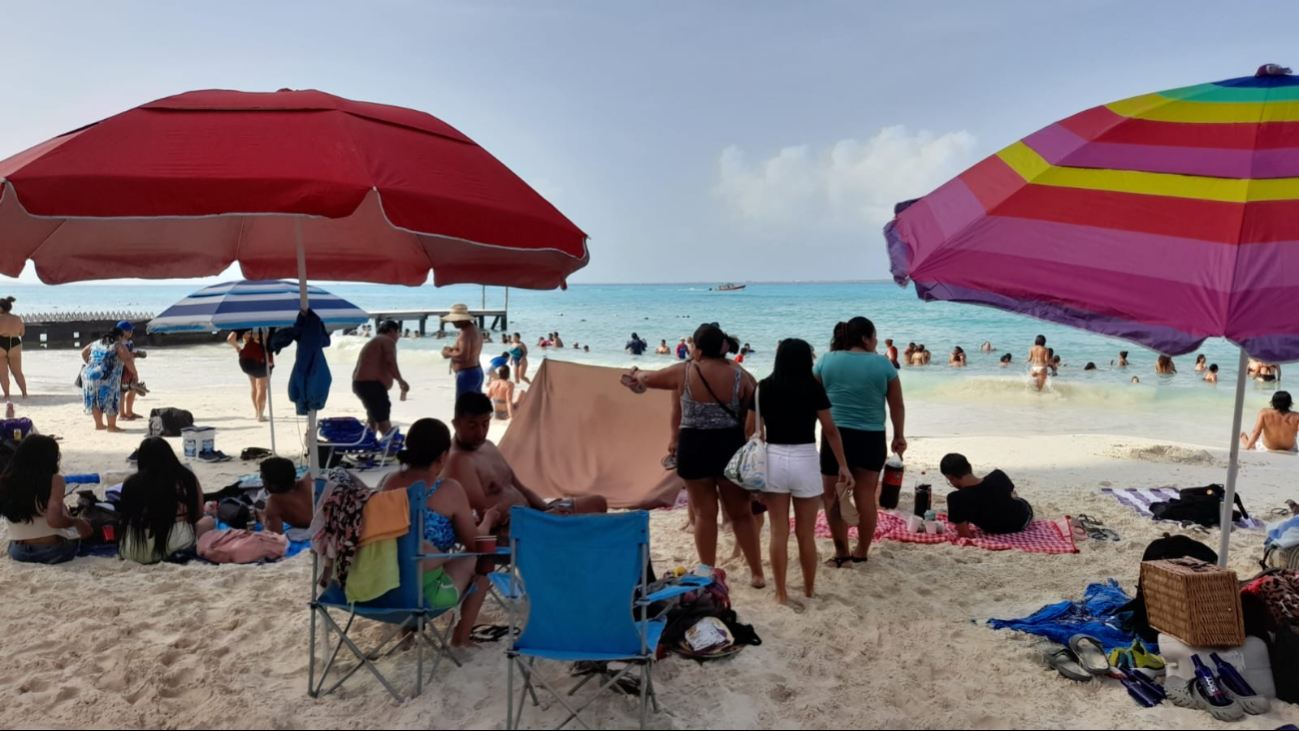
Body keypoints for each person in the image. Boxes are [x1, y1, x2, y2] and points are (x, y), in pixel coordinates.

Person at [623, 324, 765, 588]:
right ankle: (757, 574)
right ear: (723, 347)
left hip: (694, 447)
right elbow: (755, 411)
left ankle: (708, 572)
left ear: (697, 349)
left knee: (703, 513)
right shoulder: (740, 375)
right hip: (729, 448)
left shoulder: (684, 371)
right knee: (741, 514)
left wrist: (635, 372)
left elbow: (648, 378)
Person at [381, 418, 502, 647]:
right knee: (482, 561)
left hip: (387, 588)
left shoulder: (389, 482)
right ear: (443, 456)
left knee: (408, 552)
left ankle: (406, 636)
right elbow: (475, 544)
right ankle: (461, 638)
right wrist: (487, 520)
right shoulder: (449, 489)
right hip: (425, 596)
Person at [750, 338, 853, 605]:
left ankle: (780, 593)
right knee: (805, 533)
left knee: (778, 532)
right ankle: (808, 589)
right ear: (806, 359)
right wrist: (842, 465)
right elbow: (830, 430)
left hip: (773, 459)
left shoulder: (763, 387)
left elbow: (752, 431)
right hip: (806, 458)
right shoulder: (813, 387)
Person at [815, 317, 906, 567]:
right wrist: (899, 435)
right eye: (874, 336)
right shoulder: (883, 364)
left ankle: (841, 552)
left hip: (835, 435)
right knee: (866, 496)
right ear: (865, 338)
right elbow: (896, 404)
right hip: (872, 437)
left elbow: (813, 398)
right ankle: (861, 551)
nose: (876, 341)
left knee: (834, 496)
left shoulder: (825, 360)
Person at [444, 393, 607, 526]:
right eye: (472, 426)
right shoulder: (459, 461)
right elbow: (482, 516)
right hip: (514, 529)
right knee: (590, 529)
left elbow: (517, 485)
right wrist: (540, 518)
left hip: (532, 515)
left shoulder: (488, 446)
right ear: (456, 424)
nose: (480, 432)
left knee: (598, 503)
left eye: (485, 424)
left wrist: (545, 508)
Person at [118, 438, 215, 564]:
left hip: (132, 549)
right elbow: (198, 516)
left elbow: (124, 517)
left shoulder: (130, 482)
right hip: (172, 546)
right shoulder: (186, 479)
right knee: (209, 521)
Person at [0, 436, 90, 564]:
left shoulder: (5, 480)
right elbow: (54, 520)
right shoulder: (55, 480)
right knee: (77, 527)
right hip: (51, 551)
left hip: (18, 551)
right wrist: (77, 522)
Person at [939, 453, 1034, 538]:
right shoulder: (998, 476)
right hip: (1020, 520)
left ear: (949, 477)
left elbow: (965, 535)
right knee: (1010, 495)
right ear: (969, 467)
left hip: (995, 529)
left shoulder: (955, 498)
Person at [352, 320, 410, 435]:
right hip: (370, 384)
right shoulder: (387, 340)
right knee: (382, 417)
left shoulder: (375, 341)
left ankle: (369, 444)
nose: (398, 337)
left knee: (373, 416)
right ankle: (391, 449)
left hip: (361, 384)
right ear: (392, 331)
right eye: (398, 333)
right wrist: (400, 380)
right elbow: (390, 362)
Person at [81, 327, 137, 432]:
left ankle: (99, 425)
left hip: (89, 374)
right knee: (111, 399)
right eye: (122, 337)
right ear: (119, 336)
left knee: (95, 400)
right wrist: (135, 373)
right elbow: (127, 359)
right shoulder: (117, 344)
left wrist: (93, 363)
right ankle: (112, 426)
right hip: (108, 375)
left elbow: (83, 352)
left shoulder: (96, 343)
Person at [259, 457, 314, 535]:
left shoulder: (273, 502)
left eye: (263, 479)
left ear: (274, 485)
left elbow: (274, 538)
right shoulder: (310, 478)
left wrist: (263, 518)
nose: (262, 482)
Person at [441, 304, 484, 398]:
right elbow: (468, 351)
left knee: (463, 408)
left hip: (467, 374)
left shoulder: (466, 333)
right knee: (475, 408)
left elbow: (464, 356)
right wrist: (453, 350)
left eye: (454, 320)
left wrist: (448, 353)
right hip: (476, 371)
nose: (452, 322)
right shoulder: (475, 329)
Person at [228, 330, 270, 422]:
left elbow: (230, 339)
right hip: (262, 358)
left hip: (247, 359)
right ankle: (260, 415)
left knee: (254, 387)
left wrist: (238, 348)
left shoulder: (244, 324)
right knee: (261, 387)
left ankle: (257, 412)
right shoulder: (266, 324)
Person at [0, 296, 28, 401]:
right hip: (15, 344)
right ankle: (24, 394)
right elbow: (22, 333)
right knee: (17, 372)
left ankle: (7, 395)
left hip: (1, 344)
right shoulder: (17, 319)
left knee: (3, 373)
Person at [117, 321, 146, 421]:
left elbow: (130, 354)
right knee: (122, 392)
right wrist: (137, 354)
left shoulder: (130, 342)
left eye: (131, 331)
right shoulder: (118, 343)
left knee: (133, 389)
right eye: (128, 331)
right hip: (121, 369)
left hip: (130, 368)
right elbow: (124, 356)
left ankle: (129, 411)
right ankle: (122, 414)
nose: (130, 333)